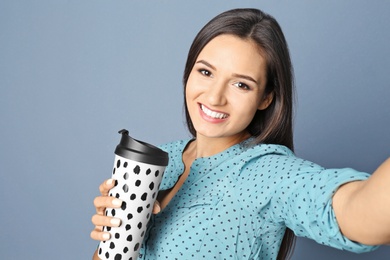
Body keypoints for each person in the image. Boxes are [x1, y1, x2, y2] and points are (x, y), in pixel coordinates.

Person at [90, 8, 390, 259]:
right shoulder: (163, 158)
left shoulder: (264, 172)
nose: (215, 97)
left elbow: (357, 214)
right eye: (205, 72)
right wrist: (112, 236)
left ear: (266, 98)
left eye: (241, 84)